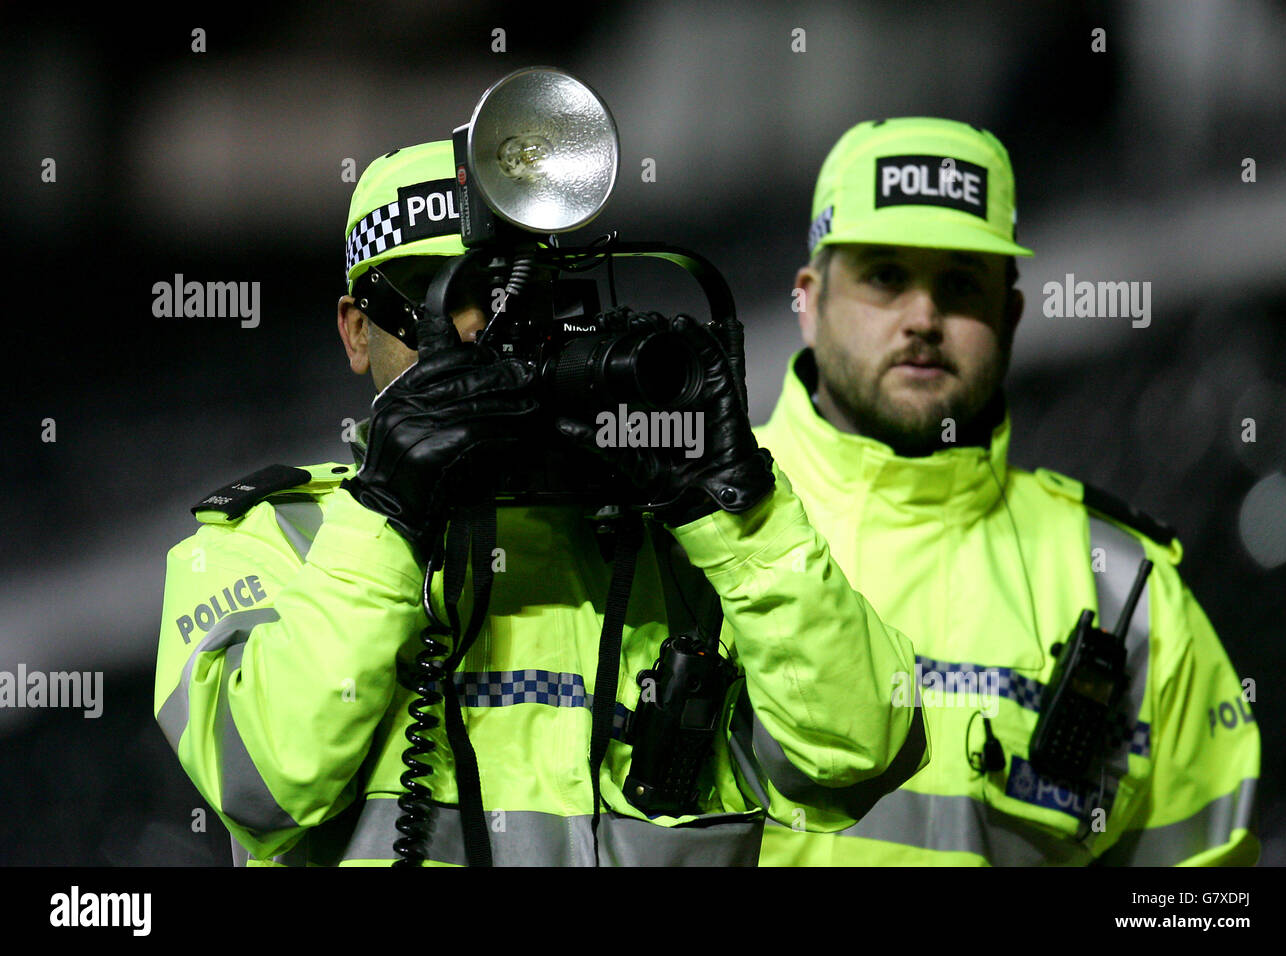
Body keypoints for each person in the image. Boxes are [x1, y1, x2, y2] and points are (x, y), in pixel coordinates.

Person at [153, 139, 928, 867]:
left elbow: (861, 753)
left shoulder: (681, 545)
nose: (480, 332)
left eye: (510, 294)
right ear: (358, 333)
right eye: (436, 297)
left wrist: (741, 512)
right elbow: (263, 787)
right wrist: (390, 511)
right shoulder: (267, 539)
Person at [756, 118, 1260, 866]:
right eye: (885, 276)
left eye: (960, 283)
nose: (922, 318)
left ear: (1010, 316)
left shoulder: (1126, 590)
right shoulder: (693, 528)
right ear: (808, 302)